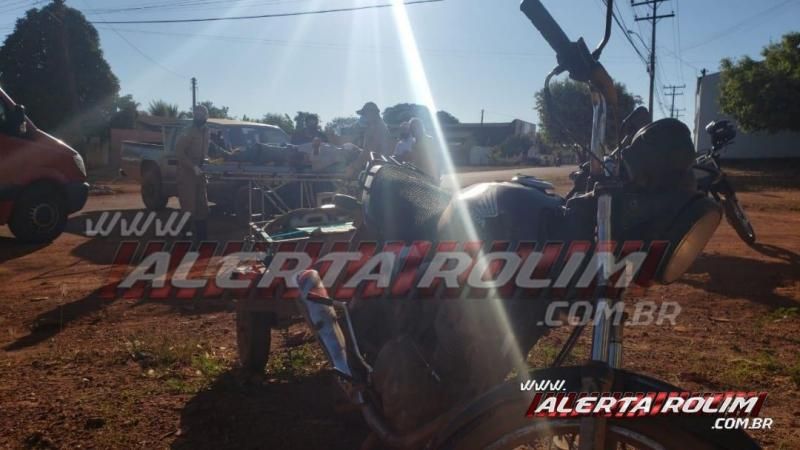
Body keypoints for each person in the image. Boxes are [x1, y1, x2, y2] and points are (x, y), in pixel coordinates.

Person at [176, 105, 211, 244]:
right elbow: (179, 152)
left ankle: (202, 238)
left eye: (202, 114)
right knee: (188, 207)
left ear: (206, 116)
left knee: (202, 205)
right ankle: (184, 236)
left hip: (200, 173)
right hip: (187, 174)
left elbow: (209, 148)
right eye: (196, 114)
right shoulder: (188, 131)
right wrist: (193, 166)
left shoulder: (207, 131)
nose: (199, 116)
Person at [408, 117, 441, 183]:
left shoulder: (429, 140)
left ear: (420, 128)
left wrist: (437, 176)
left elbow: (437, 159)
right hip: (419, 176)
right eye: (412, 128)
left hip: (430, 176)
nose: (414, 130)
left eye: (416, 128)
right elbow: (415, 161)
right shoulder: (413, 144)